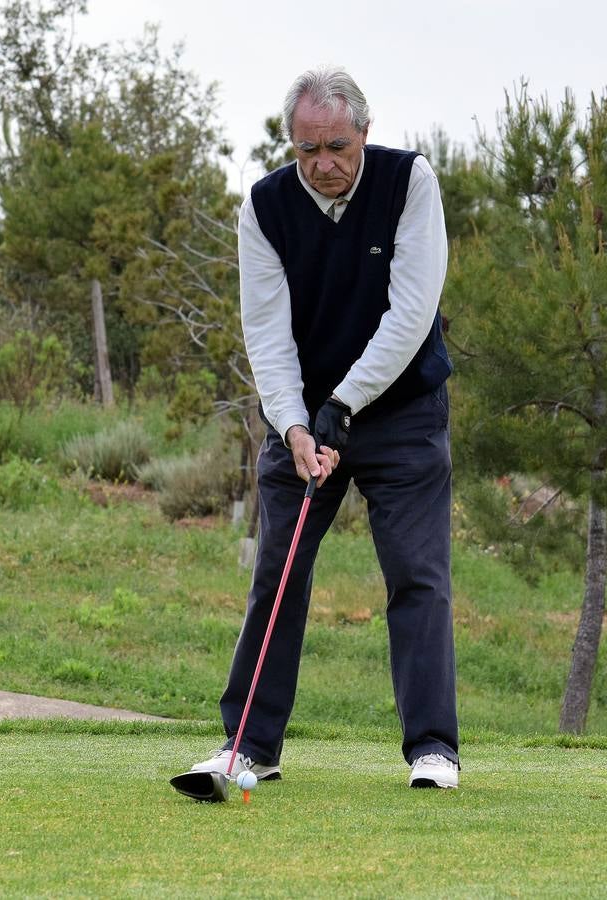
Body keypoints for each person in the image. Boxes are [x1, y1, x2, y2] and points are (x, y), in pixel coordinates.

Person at [188, 66, 459, 789]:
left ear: (363, 134)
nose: (323, 165)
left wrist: (344, 402)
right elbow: (266, 336)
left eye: (336, 147)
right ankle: (248, 748)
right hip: (305, 417)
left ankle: (433, 750)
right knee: (278, 571)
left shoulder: (409, 184)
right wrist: (292, 425)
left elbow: (412, 313)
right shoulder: (265, 208)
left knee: (417, 575)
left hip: (400, 412)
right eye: (306, 150)